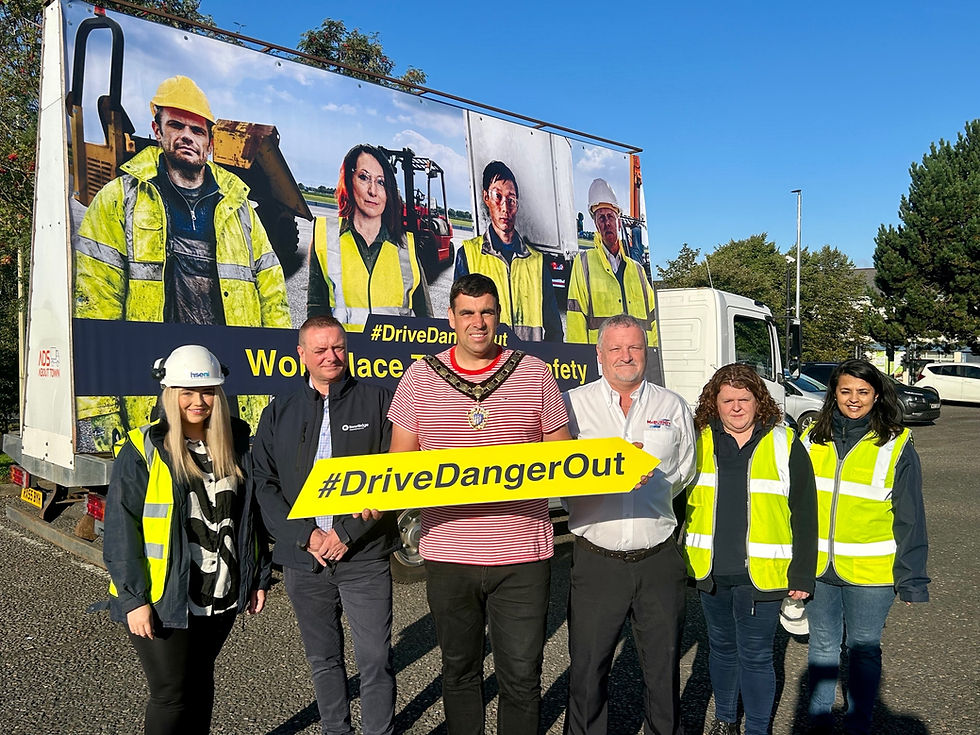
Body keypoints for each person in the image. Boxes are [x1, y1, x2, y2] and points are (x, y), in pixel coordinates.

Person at [387, 273, 571, 734]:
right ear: (451, 318)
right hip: (449, 553)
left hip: (523, 553)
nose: (478, 321)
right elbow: (397, 467)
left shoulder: (534, 372)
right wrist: (367, 499)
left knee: (522, 676)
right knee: (460, 670)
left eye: (487, 311)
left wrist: (618, 473)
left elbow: (564, 456)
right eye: (467, 312)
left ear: (498, 316)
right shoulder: (419, 378)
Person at [73, 75, 291, 450]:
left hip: (229, 388)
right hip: (154, 391)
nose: (187, 136)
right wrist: (98, 420)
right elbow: (95, 309)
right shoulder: (120, 199)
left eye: (197, 129)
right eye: (176, 125)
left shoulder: (238, 207)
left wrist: (278, 389)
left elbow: (274, 301)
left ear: (209, 142)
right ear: (157, 130)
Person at [102, 345, 271, 735]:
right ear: (170, 394)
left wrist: (258, 577)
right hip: (164, 599)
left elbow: (250, 519)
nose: (199, 401)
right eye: (187, 392)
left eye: (208, 391)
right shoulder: (145, 449)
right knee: (170, 694)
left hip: (220, 596)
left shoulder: (237, 445)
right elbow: (121, 528)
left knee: (200, 684)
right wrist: (133, 599)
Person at [252, 315, 398, 735]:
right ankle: (336, 729)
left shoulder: (378, 401)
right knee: (323, 658)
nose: (331, 357)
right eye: (320, 350)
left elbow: (393, 475)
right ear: (301, 355)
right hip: (304, 561)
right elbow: (265, 483)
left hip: (364, 557)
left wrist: (346, 534)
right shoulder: (279, 411)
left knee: (374, 659)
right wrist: (308, 536)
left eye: (338, 348)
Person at [562, 314, 696, 735]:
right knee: (587, 669)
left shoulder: (671, 405)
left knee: (662, 669)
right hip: (596, 559)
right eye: (616, 348)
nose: (626, 356)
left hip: (657, 559)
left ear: (646, 353)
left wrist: (649, 486)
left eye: (634, 347)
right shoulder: (570, 405)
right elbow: (556, 471)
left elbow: (685, 470)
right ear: (599, 355)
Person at [684, 363, 817, 735]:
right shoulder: (698, 440)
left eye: (744, 399)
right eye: (728, 400)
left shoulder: (784, 441)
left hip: (763, 574)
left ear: (760, 402)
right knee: (722, 650)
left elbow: (805, 512)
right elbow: (675, 502)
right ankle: (725, 720)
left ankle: (758, 729)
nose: (737, 408)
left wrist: (803, 573)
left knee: (757, 656)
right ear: (715, 403)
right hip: (710, 571)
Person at [801, 359, 929, 735]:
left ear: (876, 396)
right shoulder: (811, 438)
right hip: (818, 567)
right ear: (833, 394)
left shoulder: (896, 443)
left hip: (871, 573)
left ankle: (859, 723)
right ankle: (819, 723)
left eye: (863, 392)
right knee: (822, 648)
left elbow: (910, 516)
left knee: (864, 649)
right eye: (845, 391)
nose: (853, 399)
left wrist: (912, 578)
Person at [307, 143, 432, 329]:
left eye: (381, 182)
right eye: (364, 177)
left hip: (395, 357)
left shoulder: (407, 246)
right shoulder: (325, 236)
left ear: (388, 191)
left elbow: (426, 321)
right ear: (349, 181)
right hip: (344, 355)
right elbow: (316, 313)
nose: (373, 191)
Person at [454, 161, 563, 341]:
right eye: (497, 196)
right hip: (487, 366)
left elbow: (554, 331)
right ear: (486, 197)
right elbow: (460, 324)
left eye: (511, 199)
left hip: (527, 367)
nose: (505, 207)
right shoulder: (468, 255)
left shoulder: (536, 261)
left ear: (517, 205)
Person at [566, 178, 657, 345]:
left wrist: (654, 358)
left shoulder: (637, 270)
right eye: (601, 218)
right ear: (595, 224)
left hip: (638, 360)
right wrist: (582, 362)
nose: (607, 223)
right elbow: (575, 318)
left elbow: (653, 319)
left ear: (619, 222)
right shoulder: (584, 263)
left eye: (610, 216)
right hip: (603, 362)